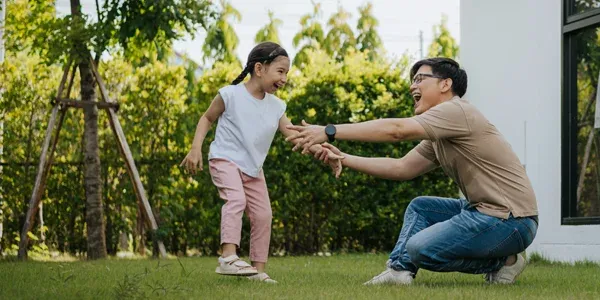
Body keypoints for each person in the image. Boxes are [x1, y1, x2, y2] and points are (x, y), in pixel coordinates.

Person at [285, 57, 538, 285]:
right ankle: (399, 271)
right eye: (412, 80)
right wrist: (342, 157)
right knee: (421, 207)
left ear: (445, 84)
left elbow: (397, 130)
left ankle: (504, 263)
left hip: (512, 221)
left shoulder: (456, 110)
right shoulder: (440, 133)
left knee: (419, 248)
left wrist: (330, 130)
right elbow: (401, 167)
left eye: (420, 79)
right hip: (486, 213)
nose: (412, 87)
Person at [181, 42, 342, 284]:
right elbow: (207, 118)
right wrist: (196, 149)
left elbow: (295, 136)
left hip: (253, 168)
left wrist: (324, 152)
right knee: (236, 200)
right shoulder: (230, 94)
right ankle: (227, 257)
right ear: (259, 68)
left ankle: (257, 271)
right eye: (280, 71)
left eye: (287, 73)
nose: (284, 78)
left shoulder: (276, 106)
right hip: (225, 158)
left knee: (263, 214)